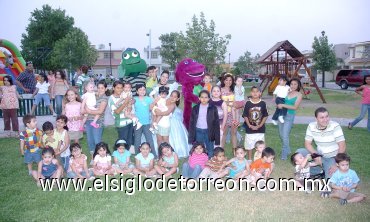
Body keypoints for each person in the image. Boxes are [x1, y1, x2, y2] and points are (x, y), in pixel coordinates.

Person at [296, 107, 346, 179]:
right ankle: (319, 170)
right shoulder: (311, 126)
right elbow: (307, 144)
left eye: (327, 116)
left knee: (331, 181)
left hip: (333, 157)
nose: (325, 120)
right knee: (299, 153)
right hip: (319, 154)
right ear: (316, 119)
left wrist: (336, 163)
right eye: (322, 117)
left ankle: (323, 170)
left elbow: (342, 146)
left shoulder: (335, 126)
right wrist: (316, 155)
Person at [188, 90, 220, 158]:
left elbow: (216, 123)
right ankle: (200, 162)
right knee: (199, 149)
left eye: (206, 97)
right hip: (198, 131)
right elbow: (191, 122)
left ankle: (210, 163)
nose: (204, 99)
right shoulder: (195, 108)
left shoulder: (213, 108)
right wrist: (191, 137)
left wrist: (217, 139)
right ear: (199, 98)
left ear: (209, 98)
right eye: (202, 97)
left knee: (210, 149)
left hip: (209, 131)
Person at [277, 78, 303, 160]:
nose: (293, 86)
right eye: (292, 84)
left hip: (289, 116)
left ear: (298, 85)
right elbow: (279, 100)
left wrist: (283, 105)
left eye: (295, 84)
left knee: (285, 135)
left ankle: (284, 153)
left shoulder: (299, 95)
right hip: (281, 115)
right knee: (281, 134)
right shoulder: (286, 91)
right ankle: (288, 149)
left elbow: (295, 107)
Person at [83, 80, 109, 162]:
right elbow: (83, 108)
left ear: (106, 89)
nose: (100, 89)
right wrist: (86, 110)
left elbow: (100, 111)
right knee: (90, 140)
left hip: (98, 121)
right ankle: (92, 157)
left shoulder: (104, 98)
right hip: (88, 120)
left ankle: (100, 158)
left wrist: (89, 111)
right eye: (98, 88)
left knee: (97, 140)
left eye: (102, 88)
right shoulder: (93, 95)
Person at [242, 86, 268, 161]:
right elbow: (245, 115)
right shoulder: (247, 103)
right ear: (251, 93)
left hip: (260, 129)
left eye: (257, 91)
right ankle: (250, 159)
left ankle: (260, 159)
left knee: (260, 145)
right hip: (249, 129)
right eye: (253, 91)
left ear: (260, 93)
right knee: (249, 145)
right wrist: (249, 125)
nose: (255, 93)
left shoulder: (263, 103)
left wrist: (260, 125)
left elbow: (265, 116)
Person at [108, 80, 134, 147]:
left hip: (129, 121)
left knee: (129, 141)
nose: (120, 89)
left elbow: (132, 101)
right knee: (122, 142)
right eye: (118, 88)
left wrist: (131, 101)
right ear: (113, 88)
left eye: (121, 87)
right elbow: (117, 112)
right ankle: (120, 156)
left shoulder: (124, 95)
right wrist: (126, 102)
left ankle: (127, 155)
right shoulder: (111, 99)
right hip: (121, 124)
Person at [133, 84, 156, 157]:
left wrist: (152, 121)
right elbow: (131, 110)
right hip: (137, 123)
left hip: (147, 123)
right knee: (137, 140)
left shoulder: (149, 99)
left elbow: (151, 110)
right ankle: (137, 155)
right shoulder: (134, 99)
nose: (142, 91)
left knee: (150, 140)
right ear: (137, 91)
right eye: (140, 90)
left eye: (144, 89)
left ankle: (154, 156)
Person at [168, 90, 190, 158]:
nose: (172, 98)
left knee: (177, 138)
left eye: (174, 97)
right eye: (171, 96)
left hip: (176, 125)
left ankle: (176, 151)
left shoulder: (174, 106)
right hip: (167, 123)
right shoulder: (167, 104)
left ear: (177, 99)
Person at [220, 73, 237, 149]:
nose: (228, 82)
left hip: (233, 114)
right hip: (224, 115)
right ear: (223, 80)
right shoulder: (220, 90)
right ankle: (221, 152)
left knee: (234, 133)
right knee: (224, 133)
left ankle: (235, 152)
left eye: (230, 80)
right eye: (226, 80)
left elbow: (236, 103)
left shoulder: (233, 90)